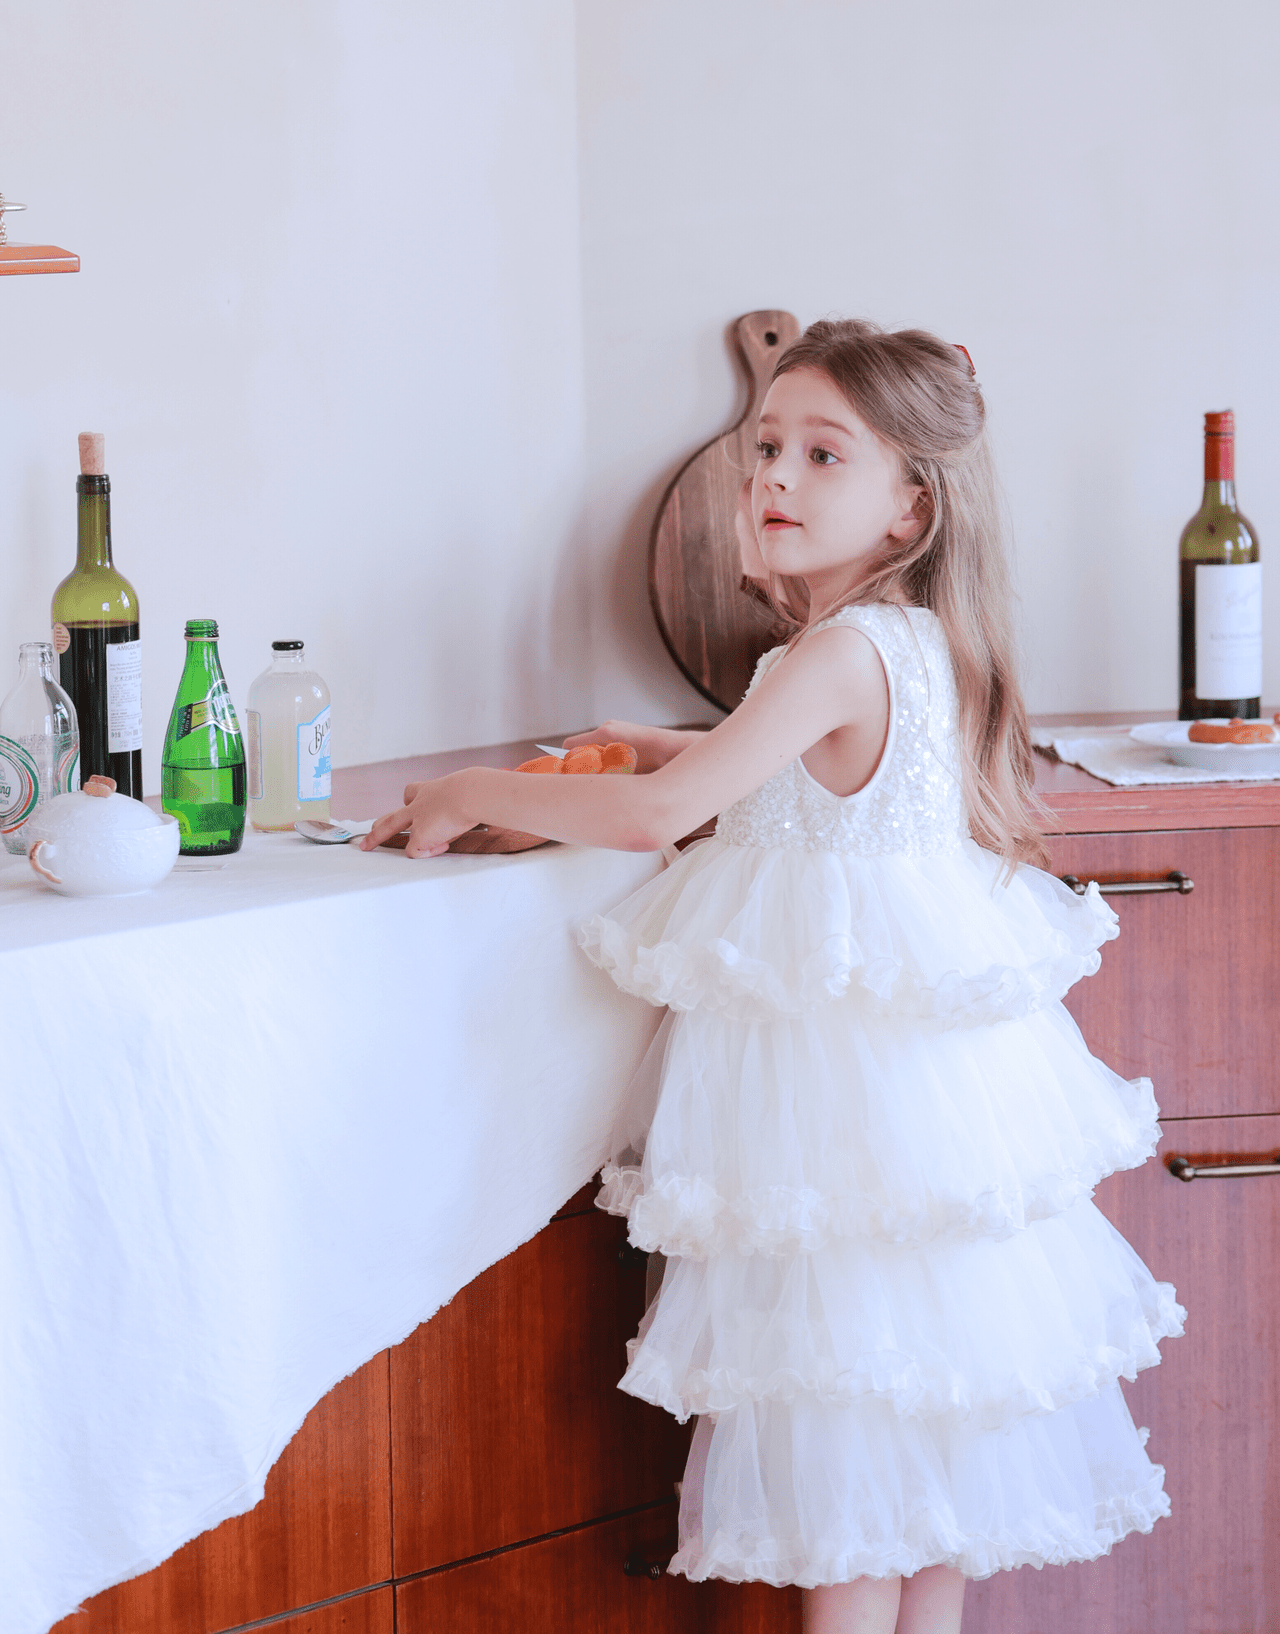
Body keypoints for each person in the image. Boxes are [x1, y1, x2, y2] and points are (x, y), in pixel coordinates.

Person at [361, 320, 1183, 1634]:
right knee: (928, 1493)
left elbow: (661, 815)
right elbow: (777, 770)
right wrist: (674, 737)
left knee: (851, 1480)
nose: (775, 479)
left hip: (839, 1142)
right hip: (920, 1132)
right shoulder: (914, 640)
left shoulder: (829, 655)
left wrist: (467, 786)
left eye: (819, 453)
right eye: (766, 448)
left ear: (912, 502)